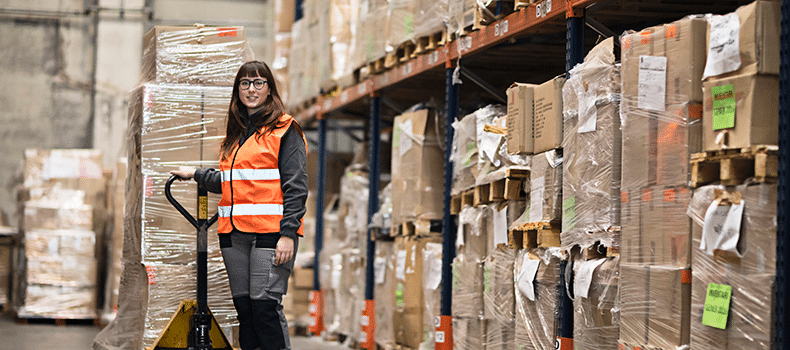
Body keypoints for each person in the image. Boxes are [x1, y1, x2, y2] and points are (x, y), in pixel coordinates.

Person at [171, 60, 307, 350]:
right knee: (245, 312)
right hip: (233, 235)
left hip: (270, 234)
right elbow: (234, 181)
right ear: (238, 90)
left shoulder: (285, 129)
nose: (251, 89)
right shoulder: (235, 134)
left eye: (259, 83)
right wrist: (196, 174)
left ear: (270, 89)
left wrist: (289, 233)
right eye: (245, 83)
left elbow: (296, 186)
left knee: (265, 309)